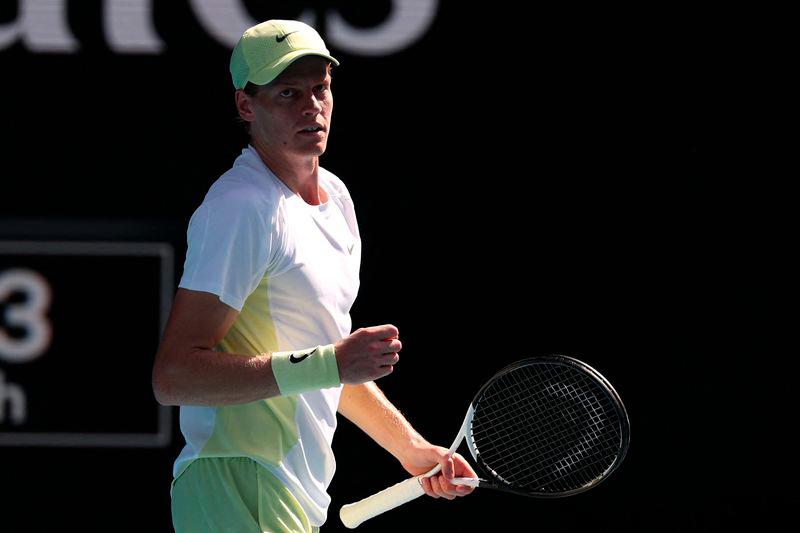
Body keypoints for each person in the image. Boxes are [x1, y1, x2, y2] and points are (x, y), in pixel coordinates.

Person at [152, 19, 476, 532]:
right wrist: (330, 362)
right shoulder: (241, 207)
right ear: (246, 106)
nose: (311, 105)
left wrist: (411, 449)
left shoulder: (337, 201)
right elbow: (174, 377)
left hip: (289, 494)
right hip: (236, 483)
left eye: (320, 88)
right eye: (287, 92)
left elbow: (324, 365)